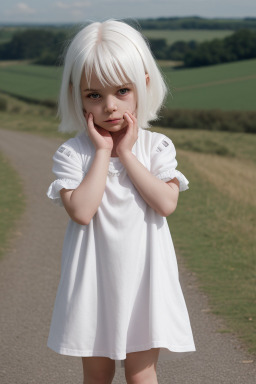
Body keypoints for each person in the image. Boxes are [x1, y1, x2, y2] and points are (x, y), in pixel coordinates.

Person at [47, 19, 195, 384]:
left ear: (143, 85)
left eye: (122, 91)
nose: (110, 107)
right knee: (96, 375)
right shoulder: (73, 154)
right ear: (76, 95)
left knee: (141, 372)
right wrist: (102, 152)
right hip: (93, 282)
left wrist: (126, 153)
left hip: (146, 279)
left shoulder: (155, 147)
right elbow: (81, 211)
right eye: (94, 95)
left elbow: (166, 203)